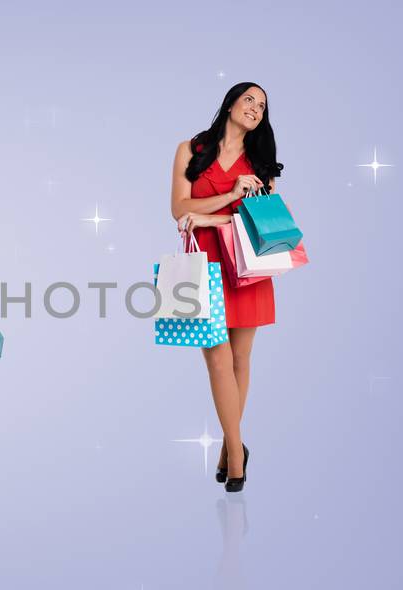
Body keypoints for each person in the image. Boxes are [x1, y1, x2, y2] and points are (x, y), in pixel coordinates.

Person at [171, 82, 284, 493]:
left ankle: (229, 444)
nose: (255, 108)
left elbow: (266, 227)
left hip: (247, 265)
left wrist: (212, 218)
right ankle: (237, 451)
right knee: (216, 361)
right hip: (204, 265)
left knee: (240, 360)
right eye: (249, 99)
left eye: (262, 106)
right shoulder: (190, 150)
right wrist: (231, 197)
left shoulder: (262, 164)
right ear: (231, 103)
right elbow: (178, 210)